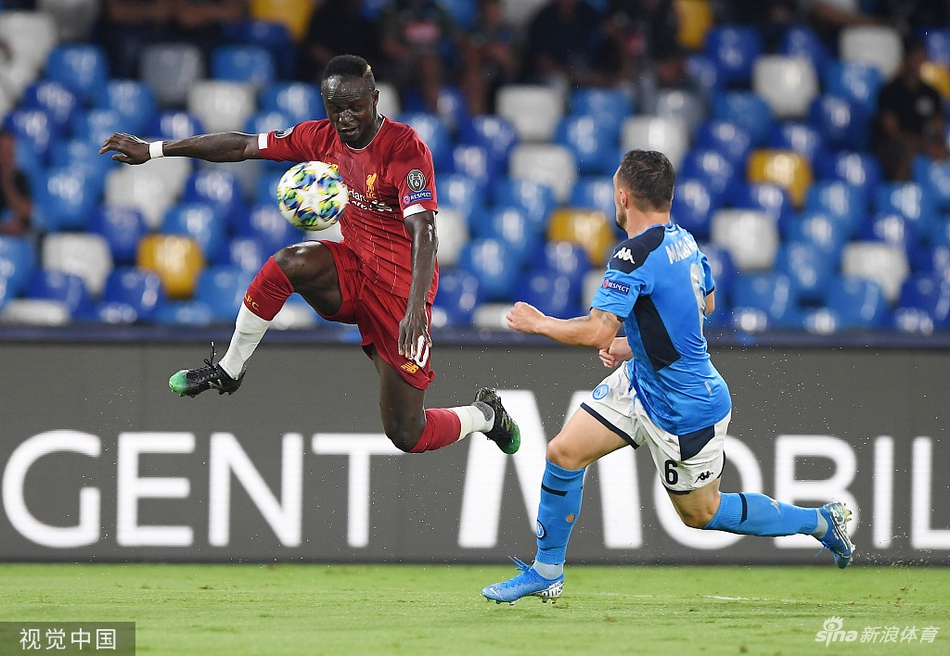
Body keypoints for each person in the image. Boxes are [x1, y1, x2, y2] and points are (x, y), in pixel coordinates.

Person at [481, 150, 855, 605]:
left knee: (702, 513)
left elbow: (597, 331)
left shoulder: (633, 255)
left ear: (623, 197)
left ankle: (819, 521)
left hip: (684, 407)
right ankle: (546, 571)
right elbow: (705, 304)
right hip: (643, 380)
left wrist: (540, 322)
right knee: (564, 452)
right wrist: (638, 344)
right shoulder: (684, 241)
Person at [99, 54, 520, 458]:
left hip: (400, 294)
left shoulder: (404, 149)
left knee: (407, 433)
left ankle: (485, 415)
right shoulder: (321, 137)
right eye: (336, 108)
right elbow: (242, 146)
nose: (345, 117)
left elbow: (424, 231)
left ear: (375, 99)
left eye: (355, 107)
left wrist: (415, 310)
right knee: (289, 263)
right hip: (353, 272)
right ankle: (229, 368)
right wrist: (154, 150)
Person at [873, 36, 950, 182]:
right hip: (897, 145)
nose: (918, 60)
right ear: (905, 57)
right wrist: (925, 145)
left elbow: (938, 128)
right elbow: (892, 132)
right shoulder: (890, 91)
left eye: (921, 56)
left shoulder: (931, 93)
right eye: (914, 55)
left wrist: (938, 146)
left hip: (925, 144)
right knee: (907, 154)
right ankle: (902, 192)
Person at [0, 129, 32, 236]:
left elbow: (26, 212)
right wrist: (4, 228)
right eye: (3, 153)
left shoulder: (20, 178)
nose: (7, 158)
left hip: (18, 237)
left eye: (10, 152)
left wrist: (7, 184)